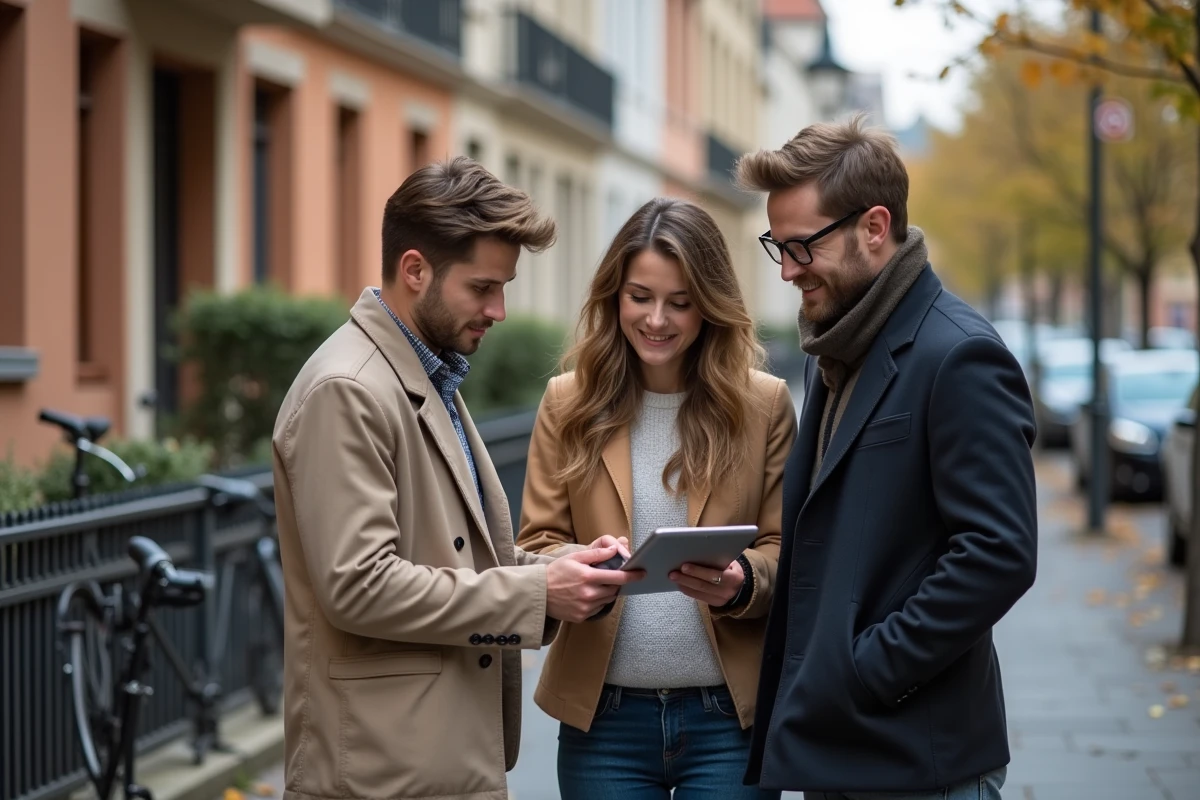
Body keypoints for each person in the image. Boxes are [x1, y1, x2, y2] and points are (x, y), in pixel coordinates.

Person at [270, 157, 640, 800]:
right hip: (382, 773)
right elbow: (359, 585)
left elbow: (453, 553)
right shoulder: (348, 390)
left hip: (427, 760)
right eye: (482, 287)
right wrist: (535, 593)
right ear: (415, 270)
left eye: (504, 287)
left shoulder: (423, 372)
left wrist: (563, 571)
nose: (498, 309)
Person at [736, 114, 1038, 800]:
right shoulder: (836, 348)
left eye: (801, 246)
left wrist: (865, 671)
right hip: (840, 751)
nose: (785, 270)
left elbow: (998, 554)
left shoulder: (959, 354)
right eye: (774, 246)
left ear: (874, 228)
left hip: (919, 761)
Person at [516, 197, 797, 800]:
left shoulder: (763, 405)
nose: (657, 320)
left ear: (710, 306)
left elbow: (786, 547)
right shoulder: (567, 403)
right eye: (640, 297)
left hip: (728, 720)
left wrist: (742, 581)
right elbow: (534, 545)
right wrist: (580, 567)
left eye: (681, 302)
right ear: (615, 294)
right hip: (604, 722)